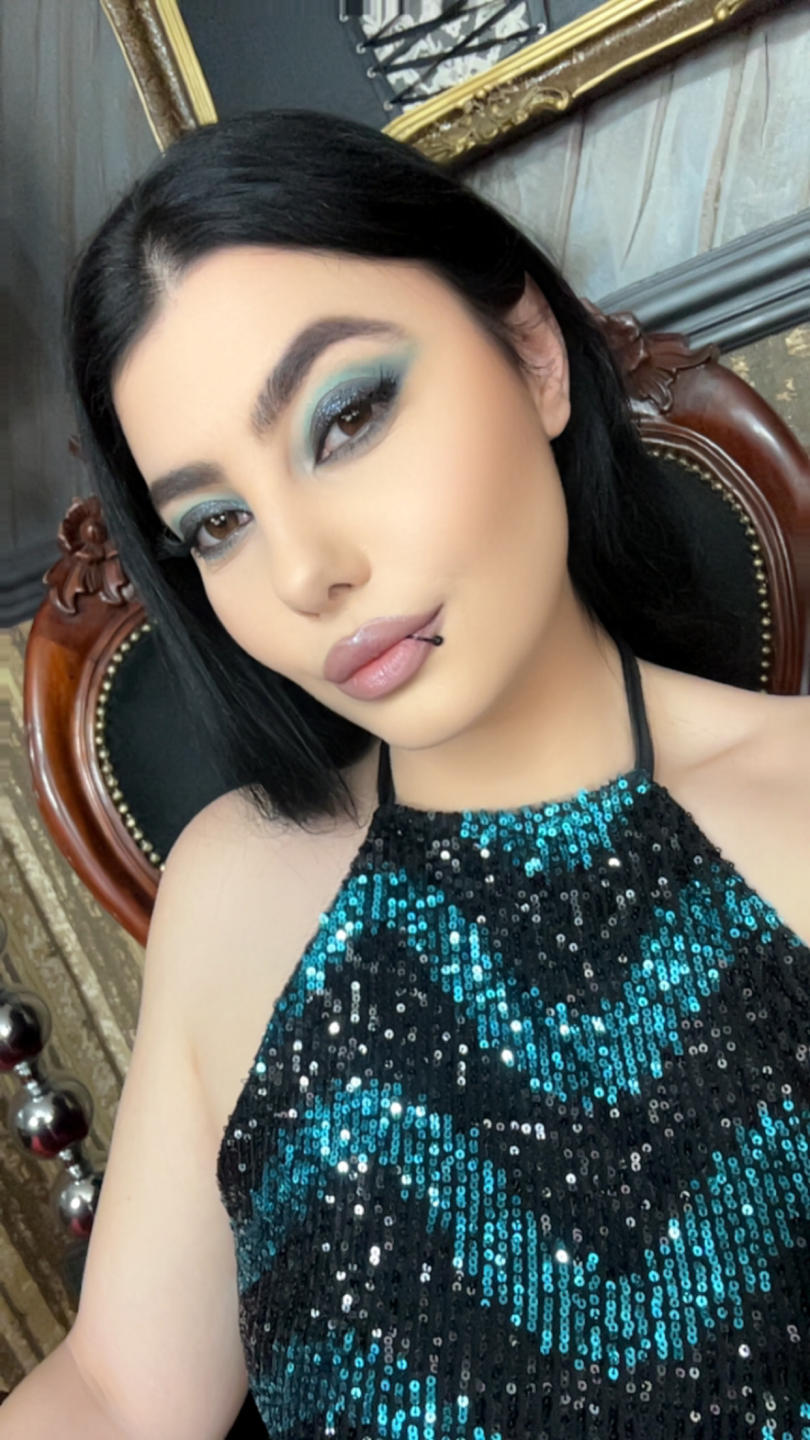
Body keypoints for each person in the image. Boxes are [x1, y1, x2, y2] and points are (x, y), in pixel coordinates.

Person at [3, 108, 808, 1440]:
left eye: (347, 417)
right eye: (218, 522)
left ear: (533, 356)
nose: (304, 570)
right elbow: (121, 1390)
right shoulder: (241, 881)